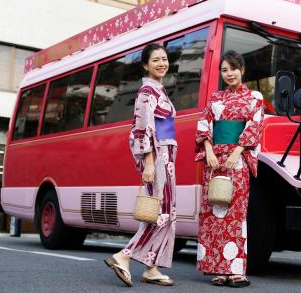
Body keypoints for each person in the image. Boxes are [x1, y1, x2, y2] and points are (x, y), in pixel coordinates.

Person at [104, 43, 177, 287]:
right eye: (155, 60)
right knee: (162, 212)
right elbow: (142, 129)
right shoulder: (147, 93)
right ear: (145, 65)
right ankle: (124, 255)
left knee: (165, 211)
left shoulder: (159, 91)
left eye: (164, 59)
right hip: (157, 158)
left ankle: (151, 267)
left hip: (165, 157)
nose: (161, 63)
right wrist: (148, 162)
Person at [195, 50, 265, 288]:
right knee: (214, 213)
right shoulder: (215, 98)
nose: (229, 74)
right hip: (214, 161)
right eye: (224, 70)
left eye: (233, 69)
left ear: (242, 70)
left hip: (238, 160)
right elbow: (204, 126)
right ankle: (218, 269)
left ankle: (235, 270)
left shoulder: (254, 98)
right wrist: (210, 152)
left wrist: (237, 152)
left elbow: (254, 125)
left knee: (235, 214)